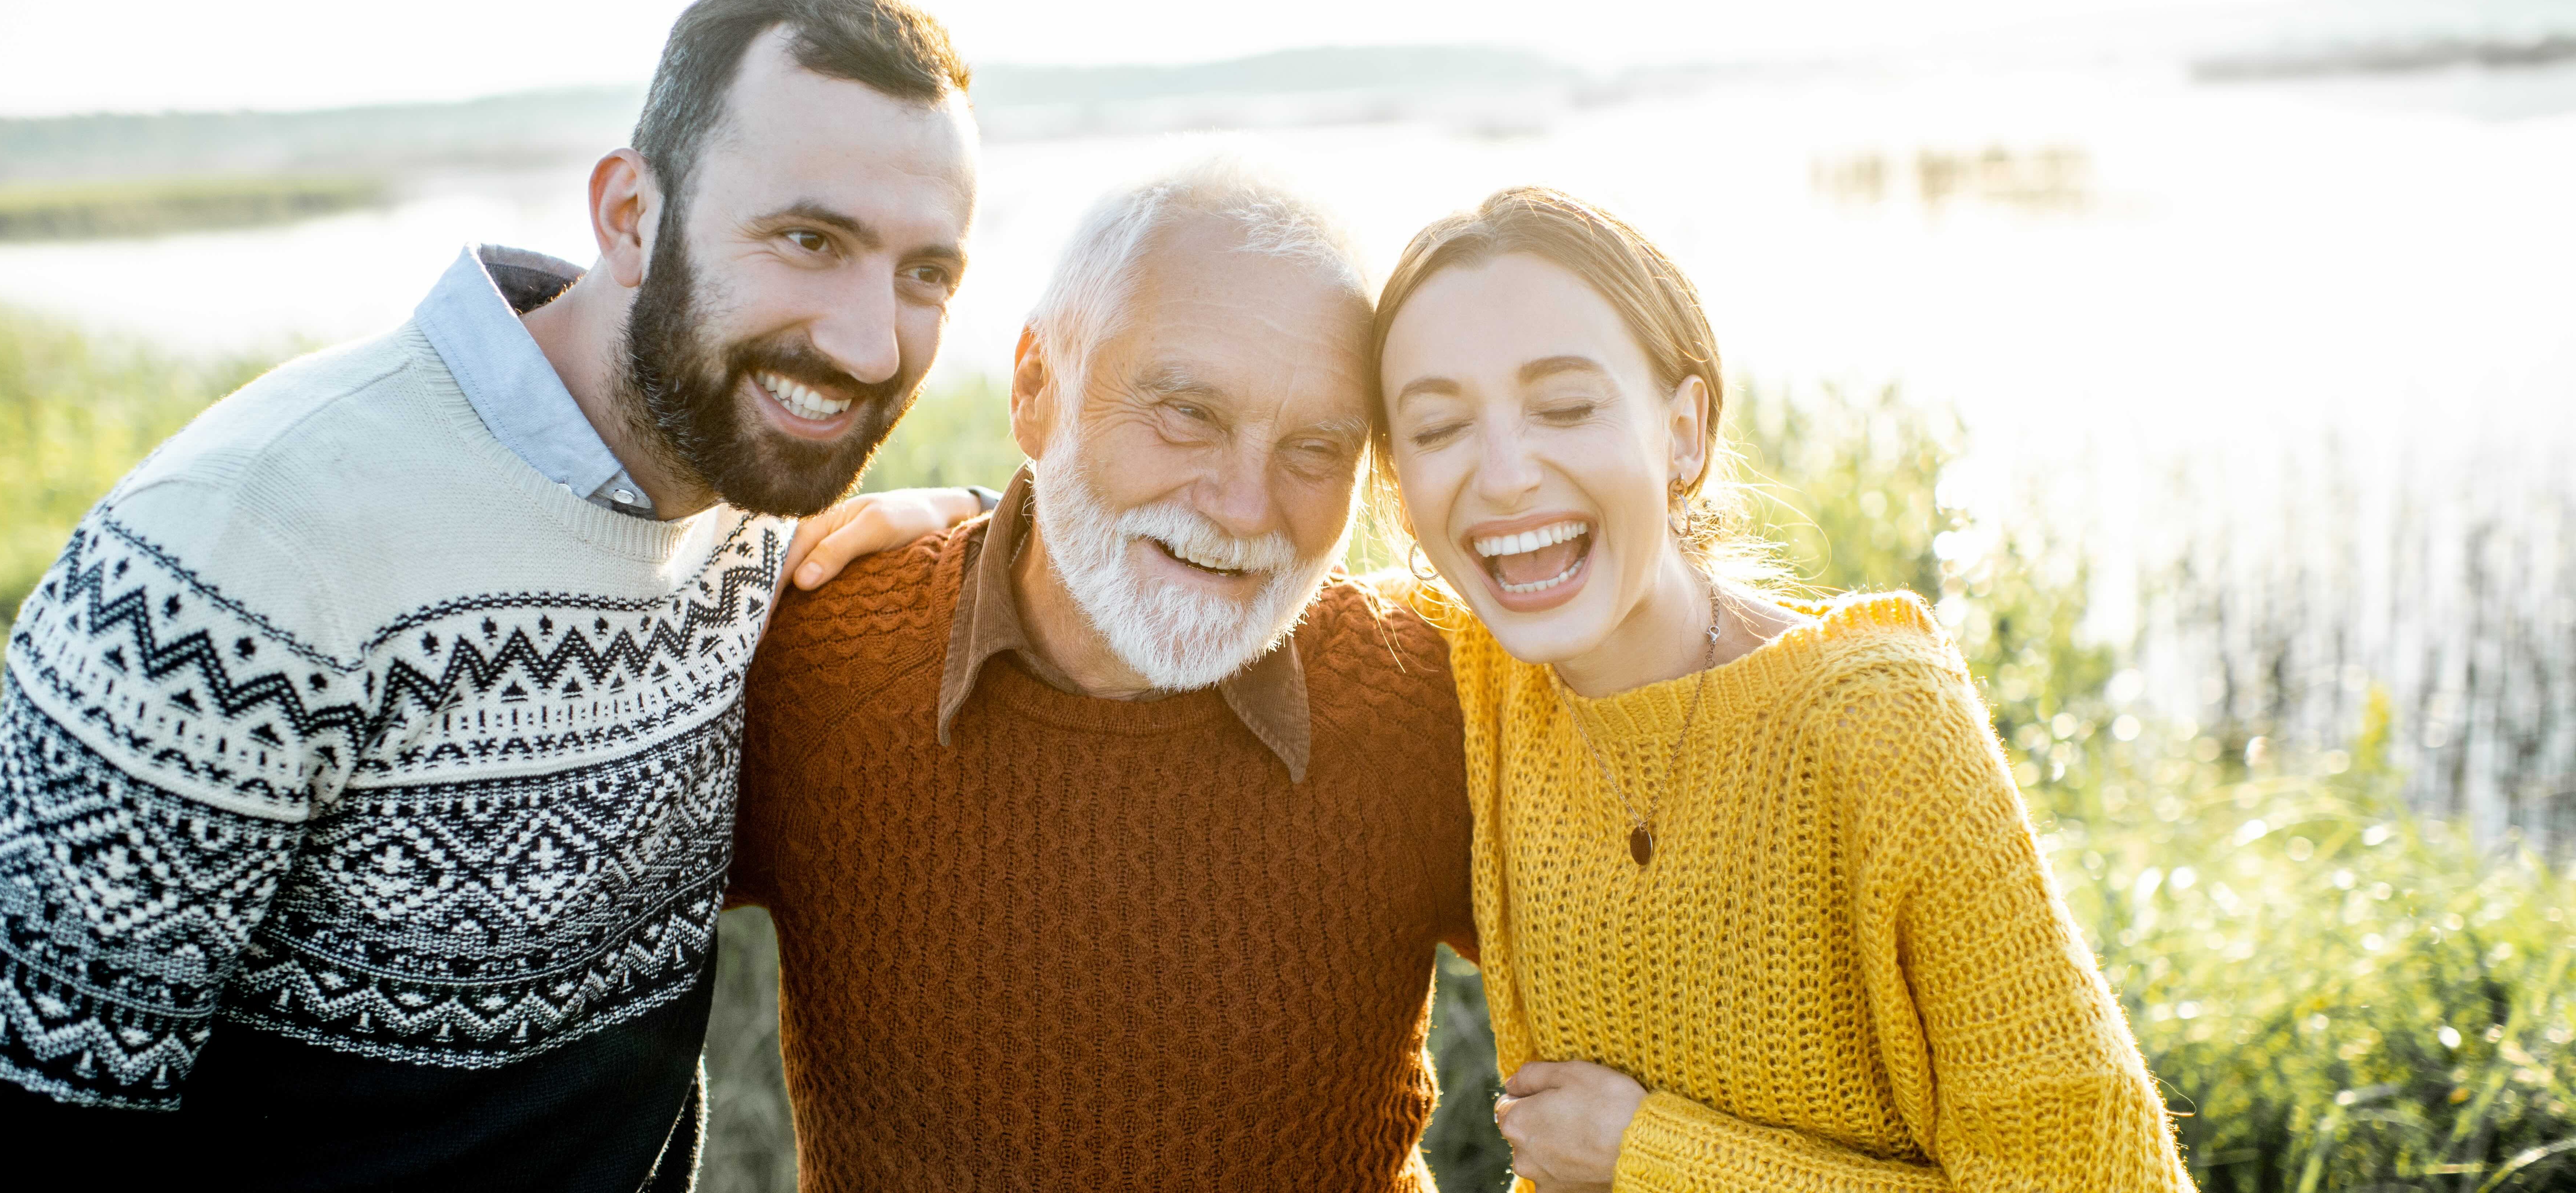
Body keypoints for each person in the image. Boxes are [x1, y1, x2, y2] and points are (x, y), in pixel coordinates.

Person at [0, 1, 986, 1188]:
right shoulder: (227, 563)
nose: (875, 346)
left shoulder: (746, 495)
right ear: (632, 215)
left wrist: (971, 528)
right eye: (810, 239)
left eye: (926, 271)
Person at [1367, 187, 2193, 1191]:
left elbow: (2106, 1181)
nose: (1503, 477)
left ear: (1685, 431)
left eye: (1569, 406)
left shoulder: (1879, 723)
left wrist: (1649, 1156)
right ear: (1399, 489)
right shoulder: (1466, 672)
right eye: (1440, 426)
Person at [726, 157, 1476, 1190]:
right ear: (1036, 388)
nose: (1246, 509)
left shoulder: (1427, 698)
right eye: (1187, 414)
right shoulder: (813, 656)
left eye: (1315, 448)